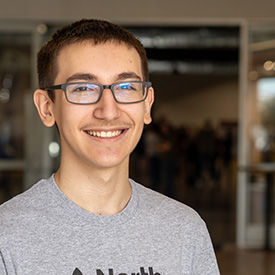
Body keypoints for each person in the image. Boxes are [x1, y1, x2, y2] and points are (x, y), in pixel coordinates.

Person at [0, 19, 220, 274]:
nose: (108, 110)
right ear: (47, 108)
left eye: (126, 87)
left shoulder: (185, 230)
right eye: (82, 88)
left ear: (147, 105)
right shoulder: (7, 236)